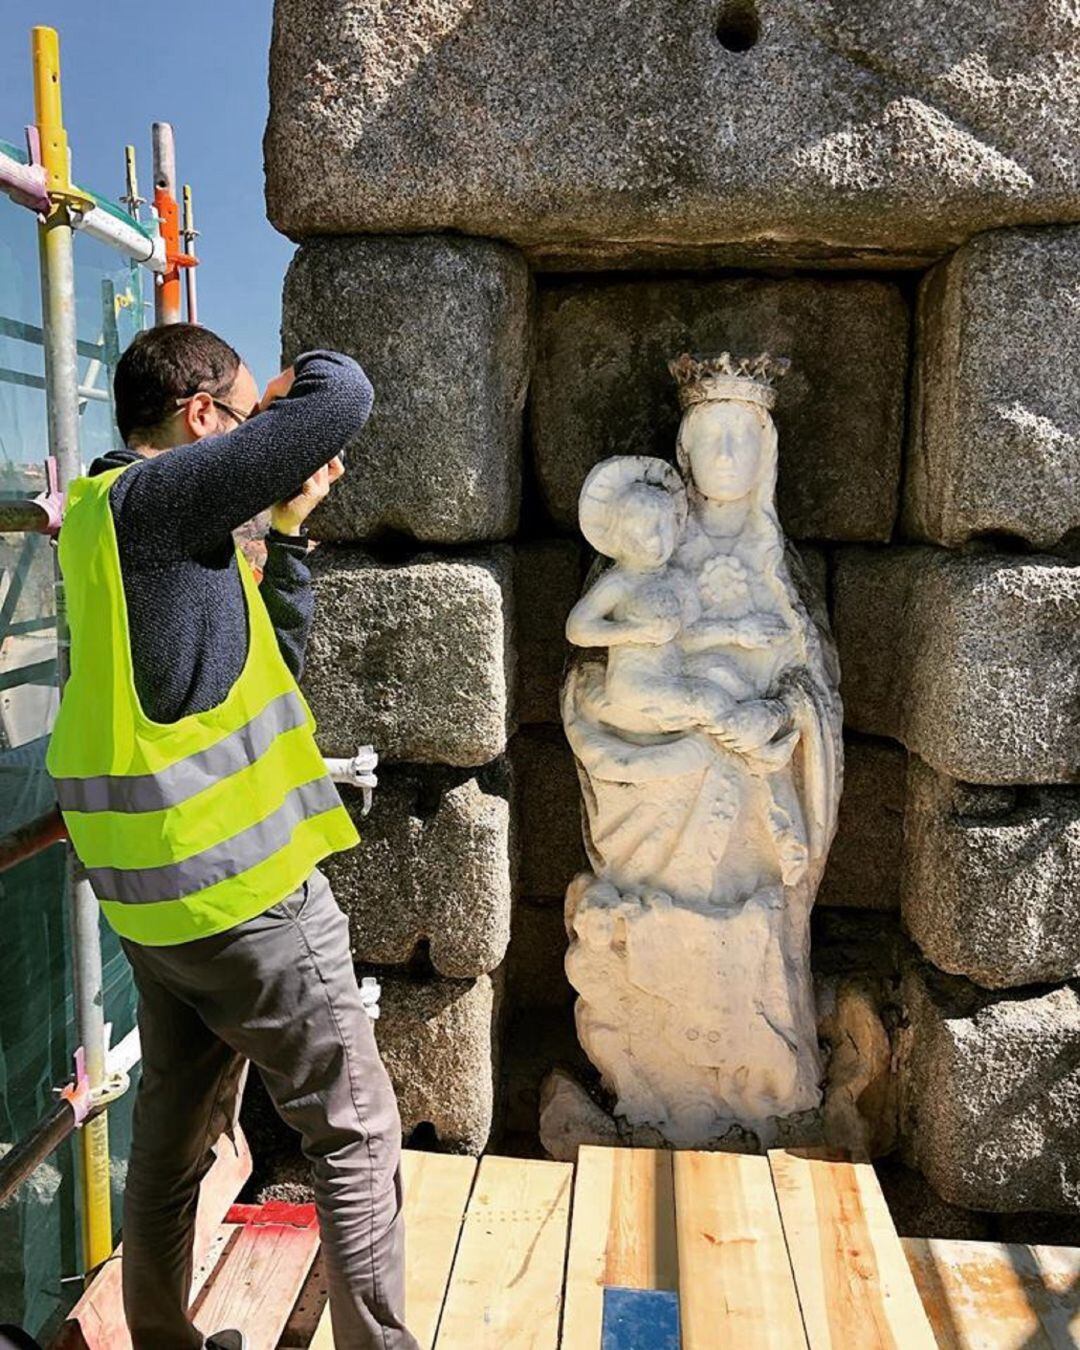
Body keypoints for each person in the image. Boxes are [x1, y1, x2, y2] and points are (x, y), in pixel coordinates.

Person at [44, 324, 419, 1350]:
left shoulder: (113, 522)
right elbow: (343, 397)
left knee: (174, 1139)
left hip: (158, 907)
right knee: (355, 1133)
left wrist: (289, 535)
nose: (262, 440)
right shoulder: (160, 504)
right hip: (246, 899)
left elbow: (251, 666)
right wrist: (305, 378)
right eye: (249, 416)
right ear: (202, 416)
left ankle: (163, 1339)